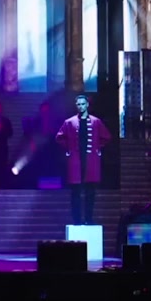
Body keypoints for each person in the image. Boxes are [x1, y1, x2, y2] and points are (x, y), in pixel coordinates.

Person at [55, 94, 112, 225]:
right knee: (75, 192)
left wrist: (98, 147)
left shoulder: (96, 121)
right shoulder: (69, 122)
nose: (80, 106)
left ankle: (89, 219)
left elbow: (107, 137)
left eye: (83, 104)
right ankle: (77, 220)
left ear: (87, 105)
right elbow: (59, 137)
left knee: (90, 192)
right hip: (75, 161)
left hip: (91, 161)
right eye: (78, 104)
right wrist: (69, 148)